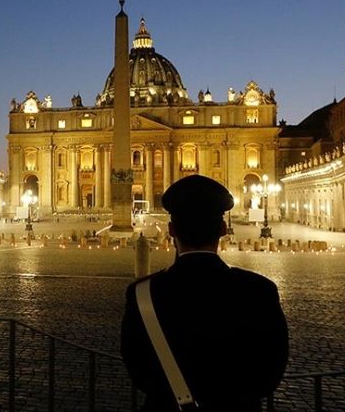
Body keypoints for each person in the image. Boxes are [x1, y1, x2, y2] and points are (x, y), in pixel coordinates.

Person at [121, 175, 288, 411]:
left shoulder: (143, 293)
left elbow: (138, 370)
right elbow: (271, 370)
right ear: (222, 229)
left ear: (171, 230)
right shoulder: (259, 290)